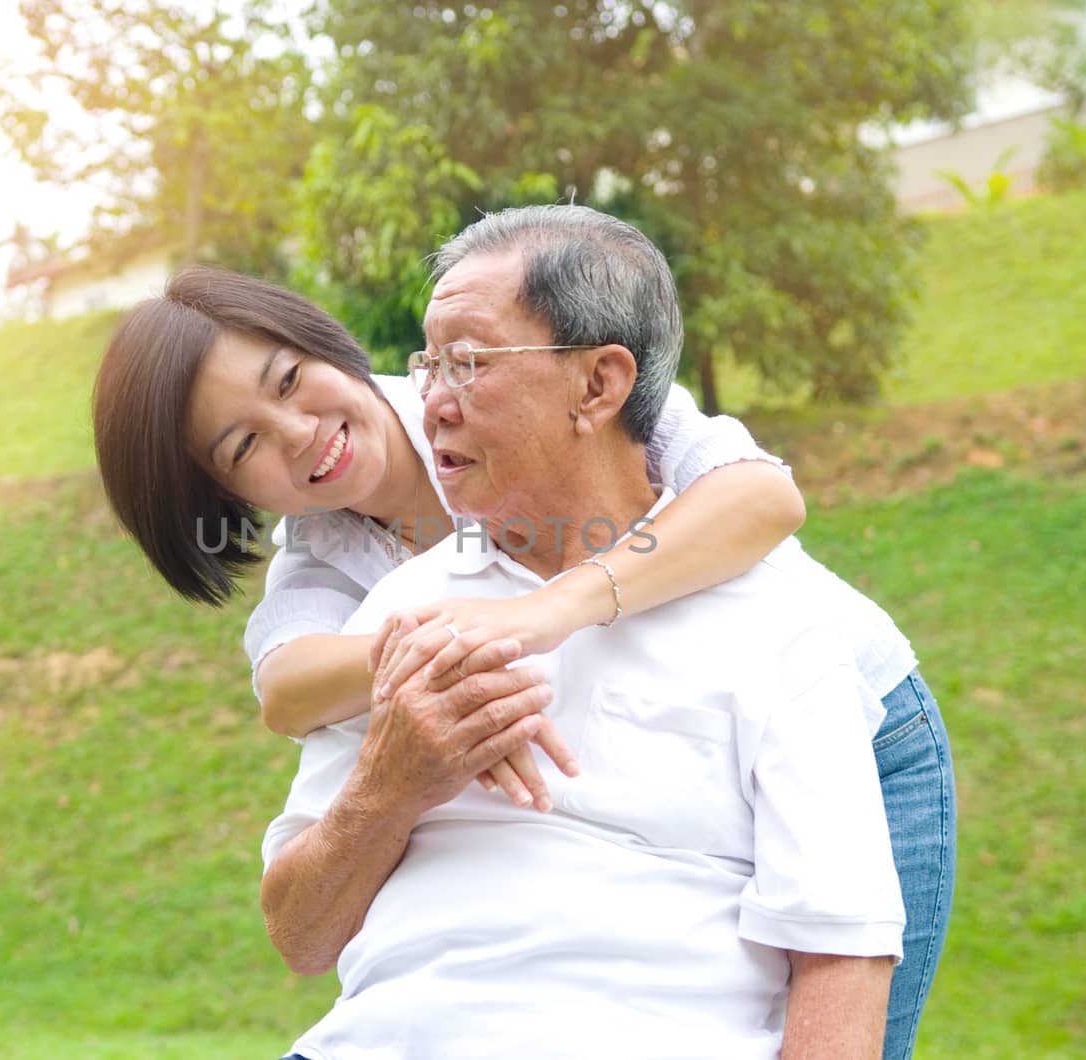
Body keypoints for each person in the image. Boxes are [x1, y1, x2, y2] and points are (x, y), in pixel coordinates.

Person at [92, 221, 955, 1058]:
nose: (298, 433)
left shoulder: (544, 382)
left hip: (868, 723)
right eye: (242, 446)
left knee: (849, 993)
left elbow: (765, 502)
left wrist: (543, 614)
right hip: (560, 810)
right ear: (226, 496)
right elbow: (287, 690)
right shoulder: (335, 572)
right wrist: (444, 671)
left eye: (286, 382)